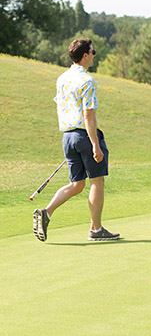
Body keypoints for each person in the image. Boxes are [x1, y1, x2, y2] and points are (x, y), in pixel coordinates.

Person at [33, 39, 120, 242]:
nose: (94, 55)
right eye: (93, 52)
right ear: (85, 56)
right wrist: (95, 145)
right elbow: (88, 116)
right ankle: (96, 230)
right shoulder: (87, 81)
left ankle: (46, 212)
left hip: (68, 137)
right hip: (84, 136)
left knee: (76, 184)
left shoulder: (62, 78)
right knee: (96, 181)